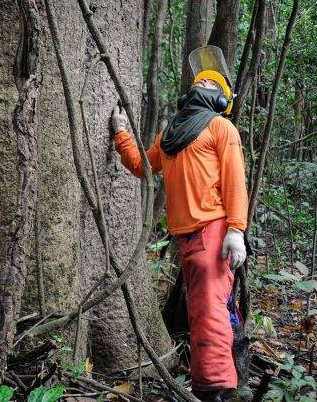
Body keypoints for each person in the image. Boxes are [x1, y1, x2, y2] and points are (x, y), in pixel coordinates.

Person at [111, 46, 248, 401]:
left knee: (208, 311)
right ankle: (220, 380)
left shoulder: (221, 127)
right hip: (186, 237)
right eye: (201, 81)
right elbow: (142, 165)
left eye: (211, 83)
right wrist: (121, 133)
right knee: (205, 309)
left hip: (213, 231)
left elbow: (235, 180)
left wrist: (236, 230)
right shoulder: (171, 134)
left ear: (219, 100)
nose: (203, 84)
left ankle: (214, 389)